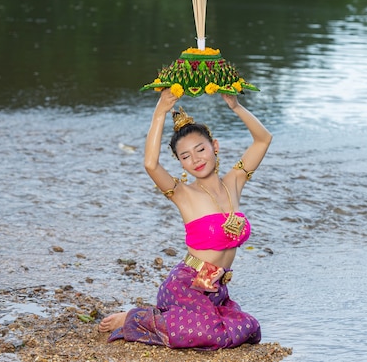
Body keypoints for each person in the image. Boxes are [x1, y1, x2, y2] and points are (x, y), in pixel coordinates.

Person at [98, 89, 272, 350]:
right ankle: (134, 318)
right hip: (186, 285)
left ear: (214, 147)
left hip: (216, 289)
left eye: (200, 149)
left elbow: (263, 140)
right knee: (215, 334)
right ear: (180, 163)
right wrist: (160, 111)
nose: (196, 159)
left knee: (248, 328)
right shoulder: (183, 194)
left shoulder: (234, 182)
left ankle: (169, 317)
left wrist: (236, 106)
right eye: (185, 156)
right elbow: (151, 165)